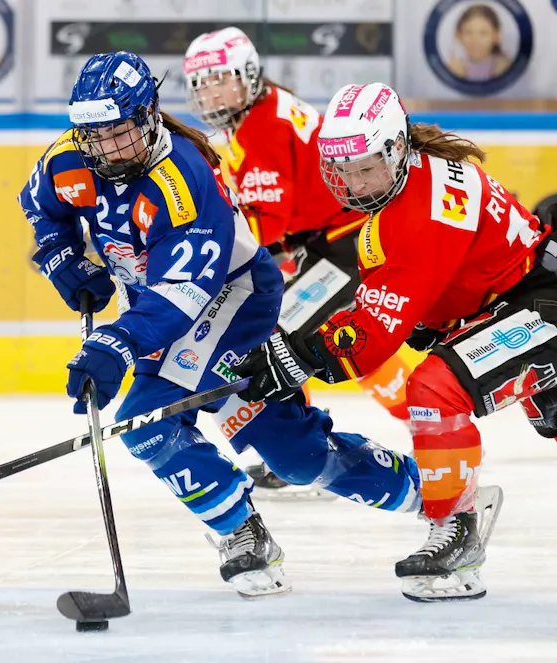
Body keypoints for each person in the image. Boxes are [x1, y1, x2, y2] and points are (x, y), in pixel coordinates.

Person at [235, 81, 557, 601]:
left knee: (436, 390)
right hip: (533, 299)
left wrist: (296, 355)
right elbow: (401, 294)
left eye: (364, 165)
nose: (353, 182)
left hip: (548, 304)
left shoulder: (422, 205)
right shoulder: (406, 182)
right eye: (340, 169)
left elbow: (376, 327)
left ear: (396, 147)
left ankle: (456, 529)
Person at [17, 53, 424, 599]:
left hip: (231, 302)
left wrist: (117, 344)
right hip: (160, 313)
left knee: (146, 418)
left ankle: (437, 499)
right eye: (94, 134)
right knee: (298, 457)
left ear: (148, 116)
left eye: (119, 132)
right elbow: (41, 207)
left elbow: (182, 293)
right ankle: (247, 530)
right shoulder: (71, 158)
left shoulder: (181, 181)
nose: (107, 147)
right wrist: (63, 259)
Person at [183, 26, 415, 498]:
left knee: (274, 336)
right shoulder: (264, 110)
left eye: (219, 79)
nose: (209, 92)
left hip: (343, 242)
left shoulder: (263, 126)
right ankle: (414, 417)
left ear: (248, 76)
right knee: (310, 340)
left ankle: (302, 443)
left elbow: (267, 224)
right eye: (200, 84)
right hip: (335, 238)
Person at [447, 4, 512, 82]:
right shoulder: (456, 67)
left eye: (483, 33)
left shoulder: (504, 66)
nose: (475, 40)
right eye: (468, 32)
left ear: (496, 36)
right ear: (459, 36)